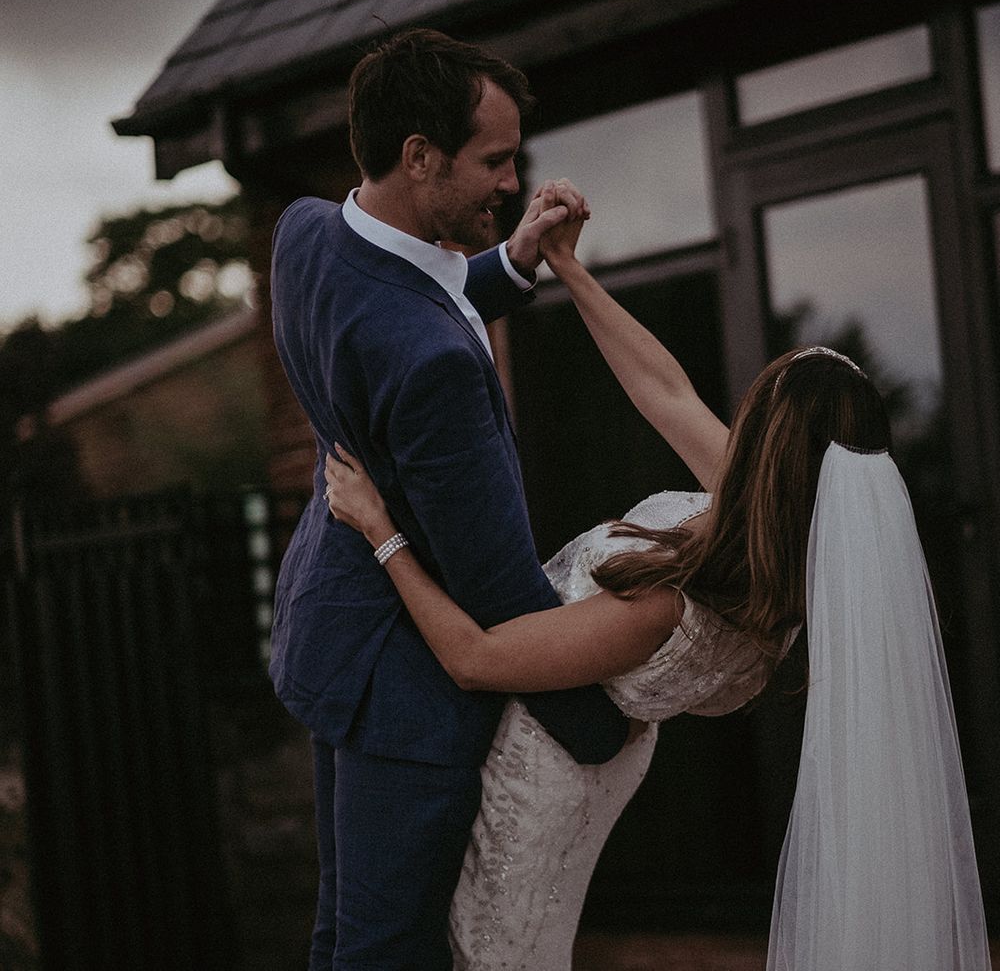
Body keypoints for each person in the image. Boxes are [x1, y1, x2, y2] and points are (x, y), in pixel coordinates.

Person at [324, 212, 993, 970]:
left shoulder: (673, 604)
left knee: (494, 950)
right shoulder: (789, 538)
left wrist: (380, 531)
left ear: (768, 447)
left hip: (544, 769)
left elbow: (474, 659)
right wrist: (569, 268)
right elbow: (664, 390)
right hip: (599, 754)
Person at [267, 29, 629, 970]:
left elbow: (404, 302)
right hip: (405, 695)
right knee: (389, 951)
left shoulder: (308, 233)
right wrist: (605, 727)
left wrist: (514, 259)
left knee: (342, 934)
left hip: (331, 628)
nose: (513, 181)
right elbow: (499, 589)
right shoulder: (432, 367)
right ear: (420, 156)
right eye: (495, 161)